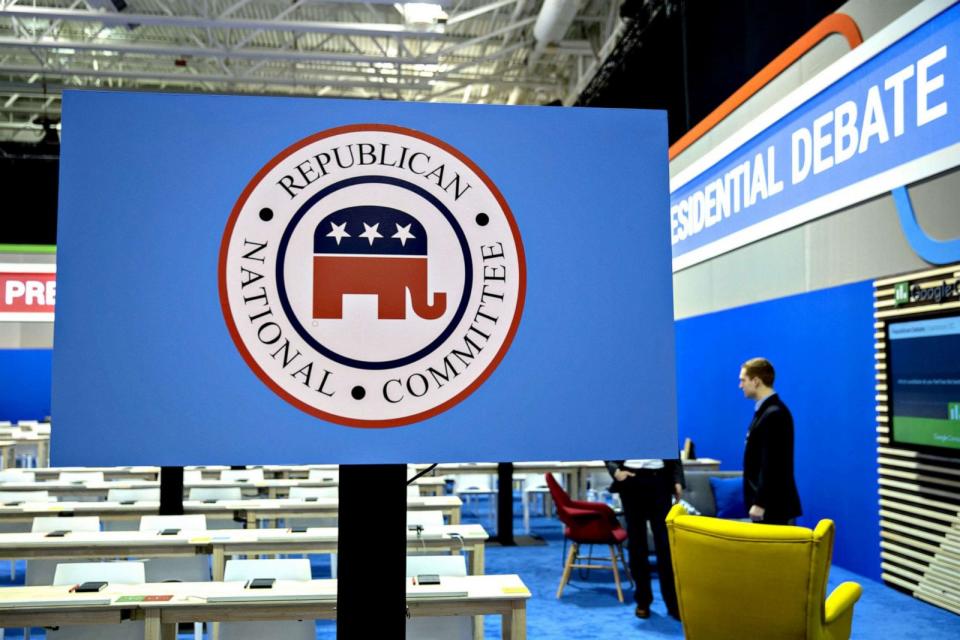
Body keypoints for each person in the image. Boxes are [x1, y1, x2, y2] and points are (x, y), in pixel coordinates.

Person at [606, 458, 683, 620]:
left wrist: (677, 479)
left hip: (660, 480)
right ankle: (642, 601)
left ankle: (673, 603)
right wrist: (616, 472)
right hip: (631, 480)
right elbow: (608, 444)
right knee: (637, 544)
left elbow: (672, 447)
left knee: (665, 545)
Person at [739, 357, 802, 525]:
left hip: (773, 506)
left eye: (743, 380)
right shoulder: (765, 412)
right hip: (768, 505)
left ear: (756, 381)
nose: (740, 385)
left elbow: (773, 464)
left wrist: (760, 502)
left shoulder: (774, 414)